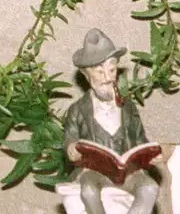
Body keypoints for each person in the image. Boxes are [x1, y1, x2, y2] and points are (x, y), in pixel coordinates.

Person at [63, 29, 160, 214]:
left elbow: (140, 139)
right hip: (94, 171)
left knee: (150, 188)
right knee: (89, 190)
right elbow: (70, 138)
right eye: (100, 72)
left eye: (112, 70)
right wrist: (72, 148)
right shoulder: (78, 110)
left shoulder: (128, 107)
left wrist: (150, 155)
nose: (107, 78)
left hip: (129, 172)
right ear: (86, 76)